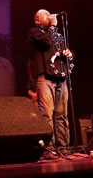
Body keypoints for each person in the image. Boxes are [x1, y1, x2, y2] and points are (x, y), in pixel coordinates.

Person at [28, 9, 74, 155]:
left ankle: (64, 148)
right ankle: (49, 150)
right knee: (47, 114)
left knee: (62, 114)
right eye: (46, 15)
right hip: (45, 78)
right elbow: (46, 42)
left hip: (60, 77)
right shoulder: (34, 33)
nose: (49, 16)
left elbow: (64, 51)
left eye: (50, 15)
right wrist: (53, 26)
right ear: (37, 20)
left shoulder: (58, 36)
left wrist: (70, 54)